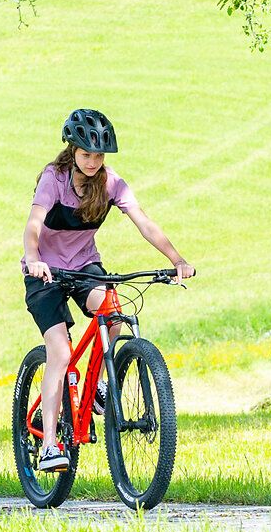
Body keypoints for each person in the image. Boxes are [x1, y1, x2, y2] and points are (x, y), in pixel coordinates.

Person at [20, 109, 195, 471]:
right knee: (61, 352)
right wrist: (33, 258)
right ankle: (51, 445)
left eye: (99, 156)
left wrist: (178, 260)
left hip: (84, 266)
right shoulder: (54, 179)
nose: (93, 161)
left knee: (114, 312)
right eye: (86, 154)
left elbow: (143, 222)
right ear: (72, 150)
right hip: (45, 272)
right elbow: (34, 225)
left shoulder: (111, 183)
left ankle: (99, 384)